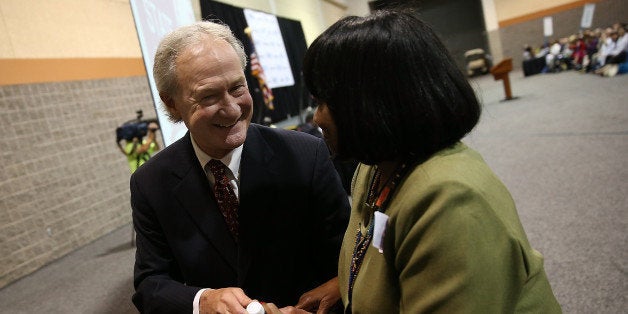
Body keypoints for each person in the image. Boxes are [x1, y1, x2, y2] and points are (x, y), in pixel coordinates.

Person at [302, 8, 562, 313]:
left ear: (371, 103)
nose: (317, 118)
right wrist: (343, 288)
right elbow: (377, 250)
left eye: (322, 103)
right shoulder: (373, 168)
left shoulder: (451, 202)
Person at [130, 21, 350, 313]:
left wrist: (337, 285)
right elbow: (150, 284)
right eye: (209, 96)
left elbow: (351, 253)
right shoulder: (151, 182)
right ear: (171, 104)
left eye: (237, 88)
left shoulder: (304, 155)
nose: (232, 109)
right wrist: (202, 300)